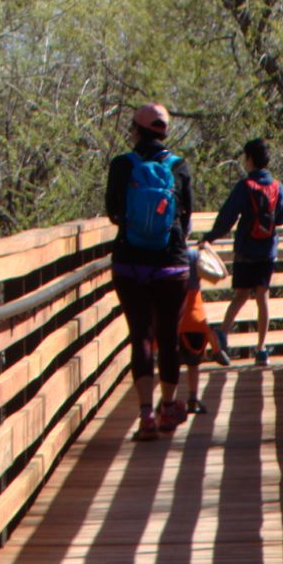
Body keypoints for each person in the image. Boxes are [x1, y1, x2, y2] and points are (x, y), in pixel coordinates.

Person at [106, 103, 193, 440]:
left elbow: (114, 211)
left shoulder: (122, 165)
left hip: (130, 262)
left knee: (140, 335)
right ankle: (169, 408)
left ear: (137, 130)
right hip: (171, 263)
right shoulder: (178, 166)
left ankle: (145, 415)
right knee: (168, 337)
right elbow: (185, 219)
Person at [204, 138, 283, 366]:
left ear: (250, 159)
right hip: (267, 250)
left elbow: (228, 216)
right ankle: (261, 350)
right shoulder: (277, 187)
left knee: (241, 294)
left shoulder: (244, 187)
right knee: (263, 296)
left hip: (245, 249)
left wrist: (210, 237)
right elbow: (281, 218)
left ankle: (222, 333)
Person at [177, 244, 226, 413]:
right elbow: (221, 274)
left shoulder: (164, 252)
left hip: (172, 318)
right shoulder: (193, 255)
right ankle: (192, 398)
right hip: (194, 319)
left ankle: (167, 402)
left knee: (169, 361)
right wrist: (209, 249)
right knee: (193, 364)